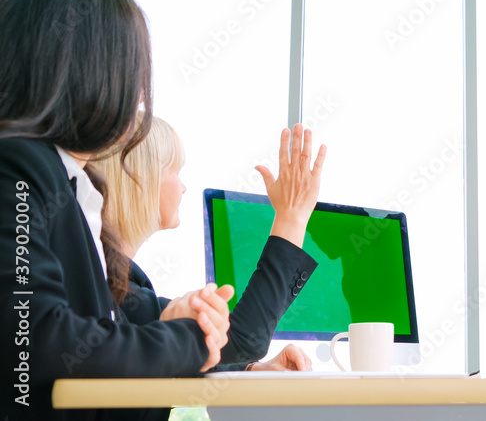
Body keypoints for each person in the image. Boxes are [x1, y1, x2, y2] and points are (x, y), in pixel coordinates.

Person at [0, 0, 324, 421]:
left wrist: (182, 330)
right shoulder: (20, 165)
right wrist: (187, 339)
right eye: (131, 75)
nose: (136, 97)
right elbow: (34, 340)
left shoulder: (71, 195)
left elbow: (89, 362)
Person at [90, 116, 317, 373]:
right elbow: (242, 338)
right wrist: (292, 217)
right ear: (139, 180)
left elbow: (175, 352)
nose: (183, 187)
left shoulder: (116, 281)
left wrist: (252, 370)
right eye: (175, 171)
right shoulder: (110, 287)